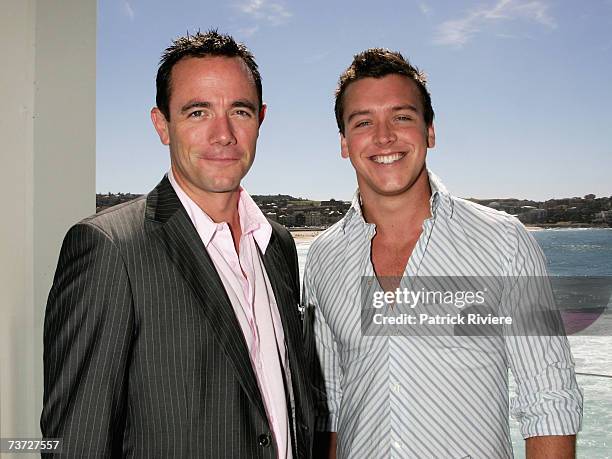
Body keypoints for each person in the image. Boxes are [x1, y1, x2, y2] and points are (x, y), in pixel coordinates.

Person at [41, 30, 314, 458]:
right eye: (198, 112)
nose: (223, 134)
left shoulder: (276, 246)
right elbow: (75, 444)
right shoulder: (110, 249)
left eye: (239, 111)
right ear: (162, 125)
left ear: (260, 119)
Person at [303, 48, 582, 458]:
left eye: (402, 117)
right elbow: (329, 403)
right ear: (345, 143)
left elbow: (548, 398)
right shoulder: (324, 257)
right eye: (363, 122)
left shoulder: (503, 241)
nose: (384, 137)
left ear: (429, 131)